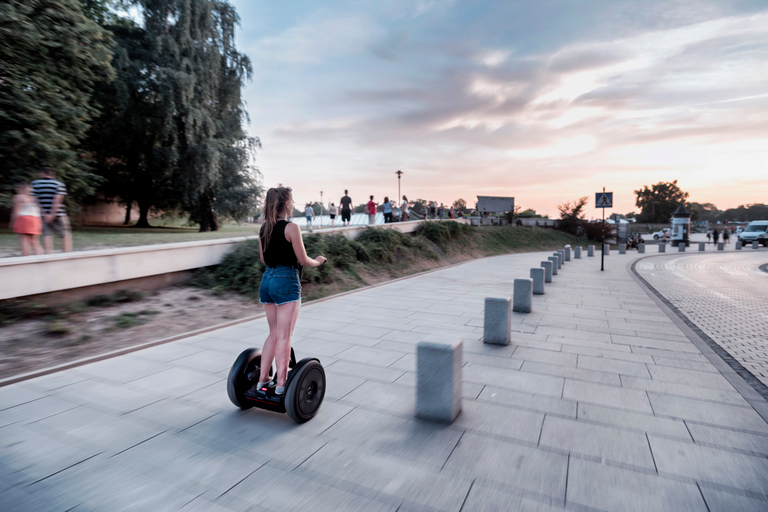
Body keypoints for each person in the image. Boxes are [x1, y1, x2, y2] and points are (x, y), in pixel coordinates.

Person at [255, 186, 327, 395]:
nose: (293, 204)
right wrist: (319, 261)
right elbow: (304, 260)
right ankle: (280, 385)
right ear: (286, 204)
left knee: (274, 334)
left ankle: (262, 380)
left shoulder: (263, 229)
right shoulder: (291, 228)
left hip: (267, 280)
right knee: (285, 335)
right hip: (286, 281)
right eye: (292, 201)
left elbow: (263, 259)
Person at [31, 167, 72, 254]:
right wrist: (52, 214)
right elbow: (57, 201)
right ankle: (67, 254)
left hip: (42, 215)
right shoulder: (59, 184)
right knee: (65, 234)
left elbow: (35, 200)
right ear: (52, 174)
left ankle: (49, 255)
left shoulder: (35, 184)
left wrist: (44, 213)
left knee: (47, 234)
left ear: (42, 173)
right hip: (59, 214)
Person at [10, 183, 44, 256]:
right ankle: (40, 256)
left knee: (24, 239)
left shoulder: (18, 197)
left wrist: (13, 222)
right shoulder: (34, 198)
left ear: (20, 189)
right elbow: (39, 210)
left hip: (24, 218)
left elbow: (16, 211)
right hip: (36, 219)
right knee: (34, 241)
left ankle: (25, 257)